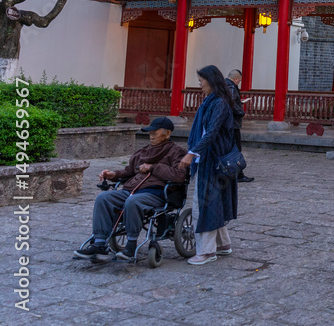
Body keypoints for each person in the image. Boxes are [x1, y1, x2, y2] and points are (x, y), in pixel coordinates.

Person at [74, 117, 187, 261]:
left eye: (155, 132)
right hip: (133, 189)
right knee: (103, 198)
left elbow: (179, 176)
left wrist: (153, 167)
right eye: (150, 132)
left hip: (157, 192)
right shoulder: (142, 152)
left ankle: (131, 244)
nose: (151, 135)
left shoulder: (177, 152)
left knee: (133, 201)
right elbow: (129, 171)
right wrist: (113, 174)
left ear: (168, 133)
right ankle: (99, 243)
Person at [179, 65, 238, 266]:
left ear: (211, 81)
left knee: (203, 205)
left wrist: (192, 153)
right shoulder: (211, 101)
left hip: (212, 160)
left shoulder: (219, 103)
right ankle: (222, 244)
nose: (200, 84)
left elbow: (211, 133)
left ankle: (206, 251)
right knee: (214, 202)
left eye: (201, 81)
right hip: (211, 158)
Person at [225, 69, 253, 183]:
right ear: (236, 79)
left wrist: (240, 102)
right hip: (232, 123)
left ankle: (231, 173)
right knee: (236, 148)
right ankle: (238, 174)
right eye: (239, 80)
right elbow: (230, 103)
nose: (239, 82)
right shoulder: (231, 87)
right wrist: (241, 112)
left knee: (228, 148)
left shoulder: (223, 85)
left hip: (226, 123)